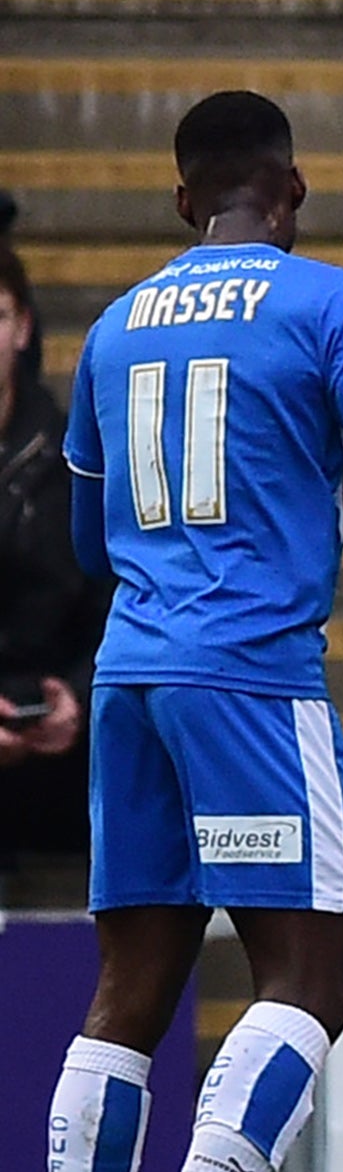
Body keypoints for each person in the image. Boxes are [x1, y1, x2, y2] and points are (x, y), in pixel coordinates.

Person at [47, 91, 343, 1172]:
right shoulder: (325, 301)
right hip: (251, 683)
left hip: (132, 678)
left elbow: (90, 546)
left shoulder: (119, 322)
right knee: (310, 980)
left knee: (127, 994)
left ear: (183, 201)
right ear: (294, 194)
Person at [0, 242, 106, 879]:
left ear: (23, 328)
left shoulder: (73, 457)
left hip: (60, 750)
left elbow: (114, 601)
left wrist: (78, 702)